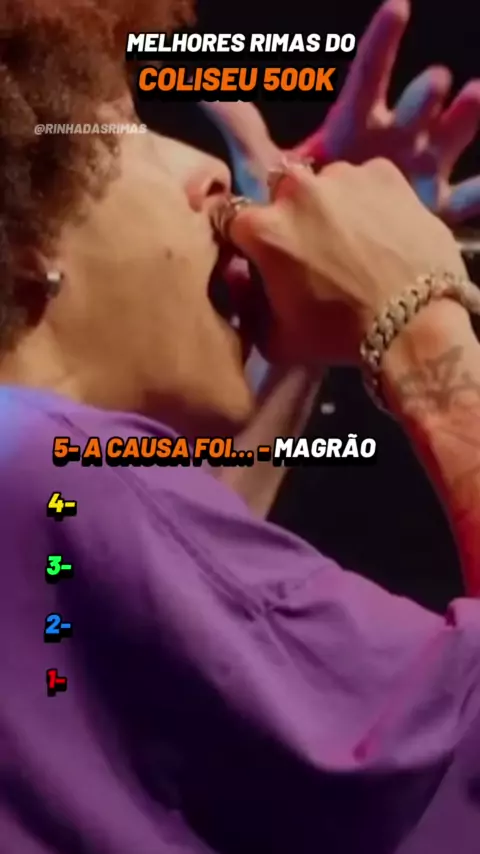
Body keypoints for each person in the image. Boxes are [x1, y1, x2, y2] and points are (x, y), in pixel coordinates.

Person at [1, 3, 480, 854]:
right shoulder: (64, 475)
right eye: (129, 127)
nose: (211, 175)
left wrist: (310, 316)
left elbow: (179, 598)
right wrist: (418, 320)